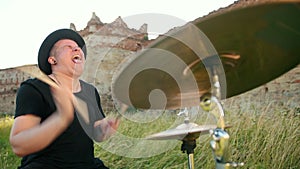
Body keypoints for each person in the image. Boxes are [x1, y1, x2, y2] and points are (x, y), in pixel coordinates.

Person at [9, 28, 120, 169]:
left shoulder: (90, 91)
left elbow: (95, 132)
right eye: (68, 47)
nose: (77, 50)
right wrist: (61, 119)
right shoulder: (34, 89)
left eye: (78, 48)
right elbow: (19, 146)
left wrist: (104, 129)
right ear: (52, 60)